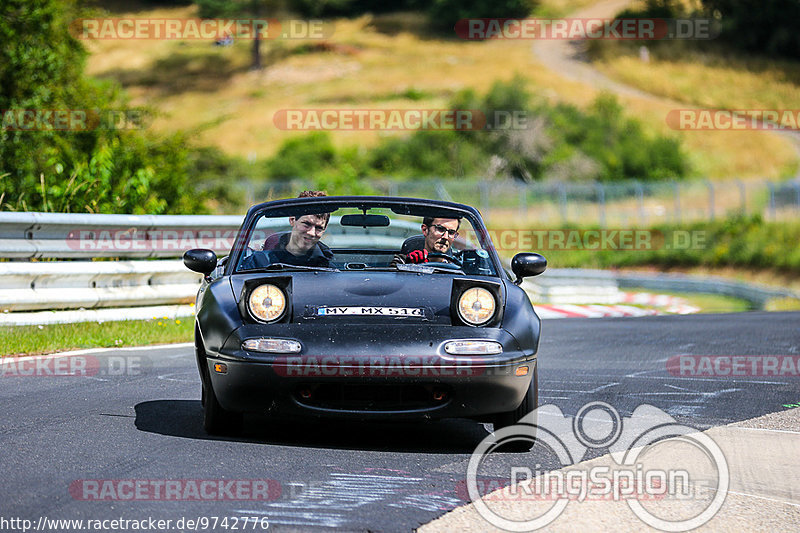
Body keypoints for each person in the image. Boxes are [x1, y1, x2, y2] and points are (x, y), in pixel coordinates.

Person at [240, 190, 333, 269]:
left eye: (319, 228)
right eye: (306, 224)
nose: (312, 233)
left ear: (324, 230)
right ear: (292, 220)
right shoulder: (260, 262)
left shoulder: (328, 269)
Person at [392, 216, 460, 265]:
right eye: (440, 229)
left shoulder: (457, 268)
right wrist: (409, 265)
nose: (445, 237)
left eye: (451, 232)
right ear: (425, 230)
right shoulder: (402, 262)